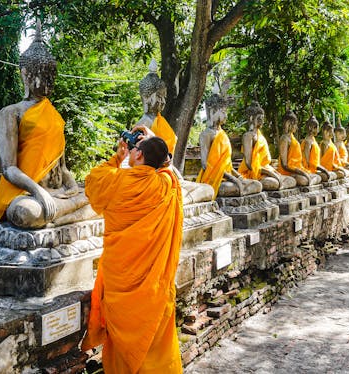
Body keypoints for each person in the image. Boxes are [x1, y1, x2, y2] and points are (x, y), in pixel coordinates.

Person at [81, 127, 183, 373]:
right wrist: (152, 144)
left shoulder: (116, 180)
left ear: (137, 156)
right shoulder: (166, 184)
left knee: (121, 343)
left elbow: (93, 179)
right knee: (153, 338)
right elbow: (170, 169)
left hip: (120, 280)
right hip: (153, 286)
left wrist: (118, 156)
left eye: (136, 149)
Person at [0, 23, 96, 230]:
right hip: (25, 194)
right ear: (25, 75)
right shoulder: (11, 113)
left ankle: (60, 216)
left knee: (96, 196)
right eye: (43, 75)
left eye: (52, 76)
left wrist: (72, 186)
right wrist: (39, 191)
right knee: (27, 213)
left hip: (57, 193)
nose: (49, 82)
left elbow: (62, 167)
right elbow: (9, 168)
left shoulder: (54, 116)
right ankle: (62, 214)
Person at [137, 59, 214, 205]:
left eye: (164, 98)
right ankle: (176, 199)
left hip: (167, 175)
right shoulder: (144, 123)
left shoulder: (161, 121)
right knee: (202, 190)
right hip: (153, 180)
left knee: (207, 190)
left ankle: (178, 198)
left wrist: (178, 177)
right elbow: (138, 162)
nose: (163, 102)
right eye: (159, 97)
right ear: (146, 98)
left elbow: (167, 162)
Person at [197, 86, 262, 198]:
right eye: (222, 111)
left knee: (257, 185)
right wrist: (234, 179)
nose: (225, 115)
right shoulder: (206, 134)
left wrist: (239, 178)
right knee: (228, 188)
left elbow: (228, 165)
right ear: (213, 111)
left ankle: (241, 188)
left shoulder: (223, 135)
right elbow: (205, 165)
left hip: (227, 177)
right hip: (214, 179)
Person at [239, 100, 296, 190]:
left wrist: (272, 172)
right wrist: (270, 173)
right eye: (259, 118)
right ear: (251, 118)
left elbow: (265, 162)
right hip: (253, 173)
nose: (262, 121)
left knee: (291, 180)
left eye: (263, 118)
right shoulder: (248, 136)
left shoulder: (260, 135)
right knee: (273, 183)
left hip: (266, 170)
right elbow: (249, 164)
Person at [277, 109, 321, 186]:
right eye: (295, 124)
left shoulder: (292, 138)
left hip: (298, 170)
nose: (296, 127)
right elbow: (284, 165)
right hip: (288, 172)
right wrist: (301, 172)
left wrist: (302, 171)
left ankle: (308, 179)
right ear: (288, 123)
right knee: (305, 180)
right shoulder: (284, 139)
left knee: (318, 177)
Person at [301, 114, 335, 182]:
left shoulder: (313, 140)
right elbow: (308, 163)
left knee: (327, 176)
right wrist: (323, 169)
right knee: (325, 177)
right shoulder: (308, 142)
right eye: (317, 128)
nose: (318, 130)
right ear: (311, 128)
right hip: (308, 170)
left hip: (315, 169)